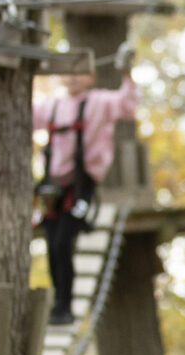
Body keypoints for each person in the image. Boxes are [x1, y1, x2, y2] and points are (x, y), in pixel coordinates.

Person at [31, 67, 142, 324]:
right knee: (50, 243)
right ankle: (56, 303)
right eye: (69, 72)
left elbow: (127, 104)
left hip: (81, 186)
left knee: (62, 242)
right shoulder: (53, 106)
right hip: (49, 185)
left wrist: (127, 73)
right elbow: (26, 115)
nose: (71, 77)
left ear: (91, 77)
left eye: (79, 73)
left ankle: (64, 306)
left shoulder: (100, 102)